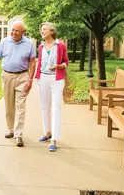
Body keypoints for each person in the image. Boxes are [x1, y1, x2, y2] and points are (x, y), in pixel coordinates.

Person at [0, 21, 36, 147]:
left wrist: (30, 80)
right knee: (9, 105)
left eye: (16, 30)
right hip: (7, 76)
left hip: (22, 76)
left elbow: (33, 63)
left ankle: (19, 133)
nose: (13, 32)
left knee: (20, 106)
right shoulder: (4, 42)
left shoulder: (29, 44)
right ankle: (10, 129)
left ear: (23, 32)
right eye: (12, 30)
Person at [35, 22, 69, 152]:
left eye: (44, 29)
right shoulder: (41, 47)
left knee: (56, 108)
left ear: (52, 32)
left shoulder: (60, 46)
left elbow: (66, 61)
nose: (42, 31)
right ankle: (47, 132)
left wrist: (59, 66)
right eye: (41, 29)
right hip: (42, 78)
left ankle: (54, 138)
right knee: (44, 107)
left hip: (56, 79)